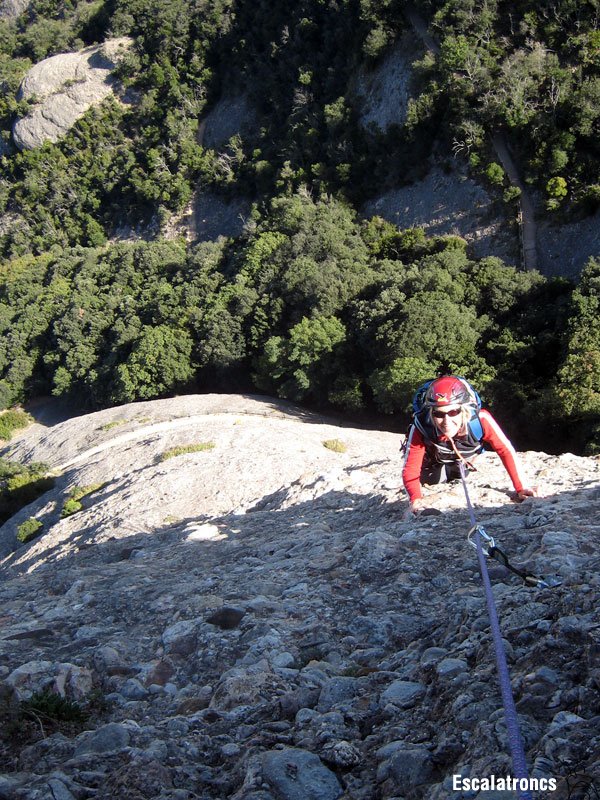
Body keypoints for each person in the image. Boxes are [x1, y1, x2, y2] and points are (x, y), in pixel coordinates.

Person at [402, 375, 537, 515]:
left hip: (463, 458)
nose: (446, 421)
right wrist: (415, 499)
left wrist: (521, 487)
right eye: (439, 414)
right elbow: (410, 468)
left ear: (463, 409)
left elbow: (505, 450)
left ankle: (455, 469)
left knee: (460, 474)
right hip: (433, 459)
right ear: (431, 412)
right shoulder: (422, 426)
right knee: (432, 480)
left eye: (453, 412)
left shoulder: (481, 420)